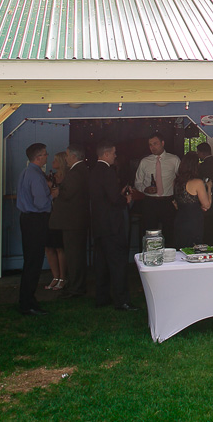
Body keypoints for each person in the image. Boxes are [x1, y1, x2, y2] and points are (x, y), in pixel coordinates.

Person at [90, 142, 137, 311]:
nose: (116, 156)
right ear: (107, 154)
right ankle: (122, 300)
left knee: (101, 263)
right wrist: (125, 200)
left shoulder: (93, 171)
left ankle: (102, 297)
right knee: (118, 264)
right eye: (114, 153)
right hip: (112, 225)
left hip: (99, 224)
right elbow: (113, 199)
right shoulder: (108, 172)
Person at [16, 143, 52, 316]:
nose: (47, 157)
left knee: (30, 260)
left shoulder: (25, 172)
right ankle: (27, 302)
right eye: (45, 154)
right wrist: (52, 195)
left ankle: (27, 299)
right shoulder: (36, 176)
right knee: (34, 261)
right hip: (36, 220)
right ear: (39, 157)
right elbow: (40, 202)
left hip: (27, 219)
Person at [50, 145, 90, 298]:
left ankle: (76, 288)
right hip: (76, 221)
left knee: (74, 256)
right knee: (75, 255)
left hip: (73, 221)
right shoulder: (81, 171)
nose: (65, 158)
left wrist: (58, 191)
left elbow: (68, 194)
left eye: (67, 155)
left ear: (74, 156)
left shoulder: (75, 173)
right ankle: (75, 285)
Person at [134, 132, 180, 235]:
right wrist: (145, 189)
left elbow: (181, 179)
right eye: (150, 145)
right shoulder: (145, 161)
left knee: (169, 233)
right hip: (150, 202)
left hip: (168, 201)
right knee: (150, 233)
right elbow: (137, 182)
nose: (152, 147)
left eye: (155, 143)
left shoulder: (174, 160)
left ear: (162, 143)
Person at [171, 152, 212, 248]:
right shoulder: (197, 183)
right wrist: (209, 188)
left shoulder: (176, 182)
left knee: (181, 247)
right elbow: (207, 205)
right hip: (193, 221)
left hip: (180, 219)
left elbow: (178, 203)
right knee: (194, 248)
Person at [44, 152, 69, 292]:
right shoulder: (50, 177)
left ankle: (63, 277)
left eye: (55, 160)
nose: (53, 162)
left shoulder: (66, 179)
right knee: (49, 246)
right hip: (49, 214)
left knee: (60, 247)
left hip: (61, 215)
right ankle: (55, 276)